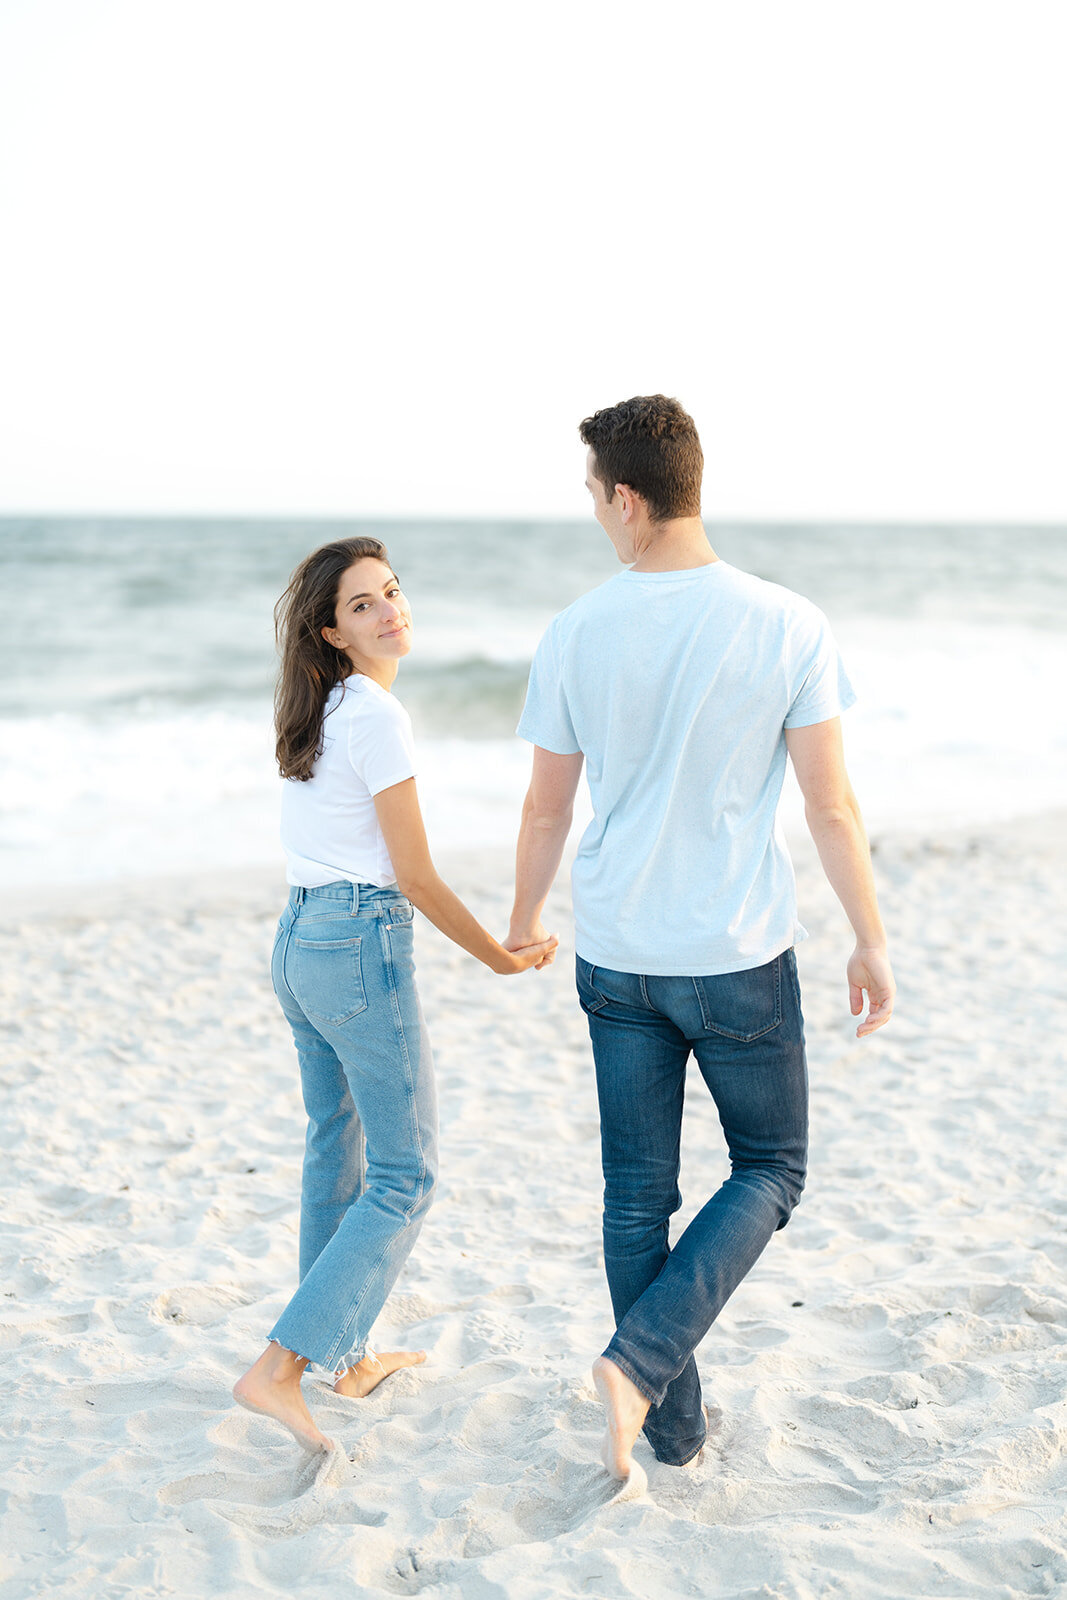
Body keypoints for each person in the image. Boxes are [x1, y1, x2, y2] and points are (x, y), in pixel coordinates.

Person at [504, 396, 895, 1482]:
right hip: (735, 952)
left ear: (627, 498)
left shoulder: (575, 630)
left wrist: (524, 917)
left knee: (636, 1199)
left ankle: (666, 1430)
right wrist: (868, 938)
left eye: (594, 497)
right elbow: (829, 805)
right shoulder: (785, 621)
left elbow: (544, 808)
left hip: (617, 952)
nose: (596, 515)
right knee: (768, 1167)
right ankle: (641, 1374)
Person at [234, 536, 556, 1452]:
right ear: (333, 633)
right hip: (355, 943)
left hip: (300, 940)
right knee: (406, 1171)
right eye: (363, 604)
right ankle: (279, 1368)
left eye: (392, 591)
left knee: (334, 1146)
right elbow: (412, 875)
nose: (390, 611)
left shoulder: (324, 708)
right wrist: (497, 956)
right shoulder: (374, 714)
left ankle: (345, 1357)